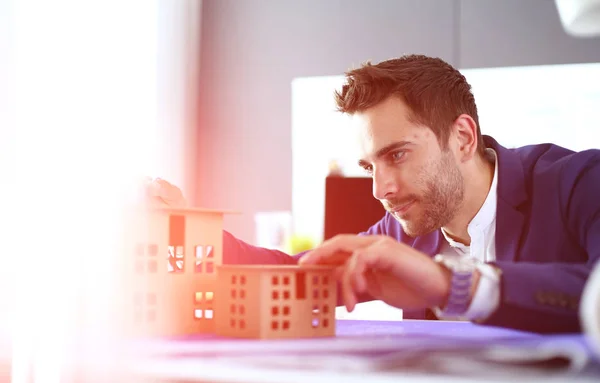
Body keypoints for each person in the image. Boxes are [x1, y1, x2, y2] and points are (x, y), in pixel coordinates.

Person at [149, 54, 600, 334]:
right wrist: (193, 231)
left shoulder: (580, 182)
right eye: (369, 166)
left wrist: (451, 285)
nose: (381, 190)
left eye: (398, 155)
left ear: (462, 138)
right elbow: (298, 275)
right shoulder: (408, 225)